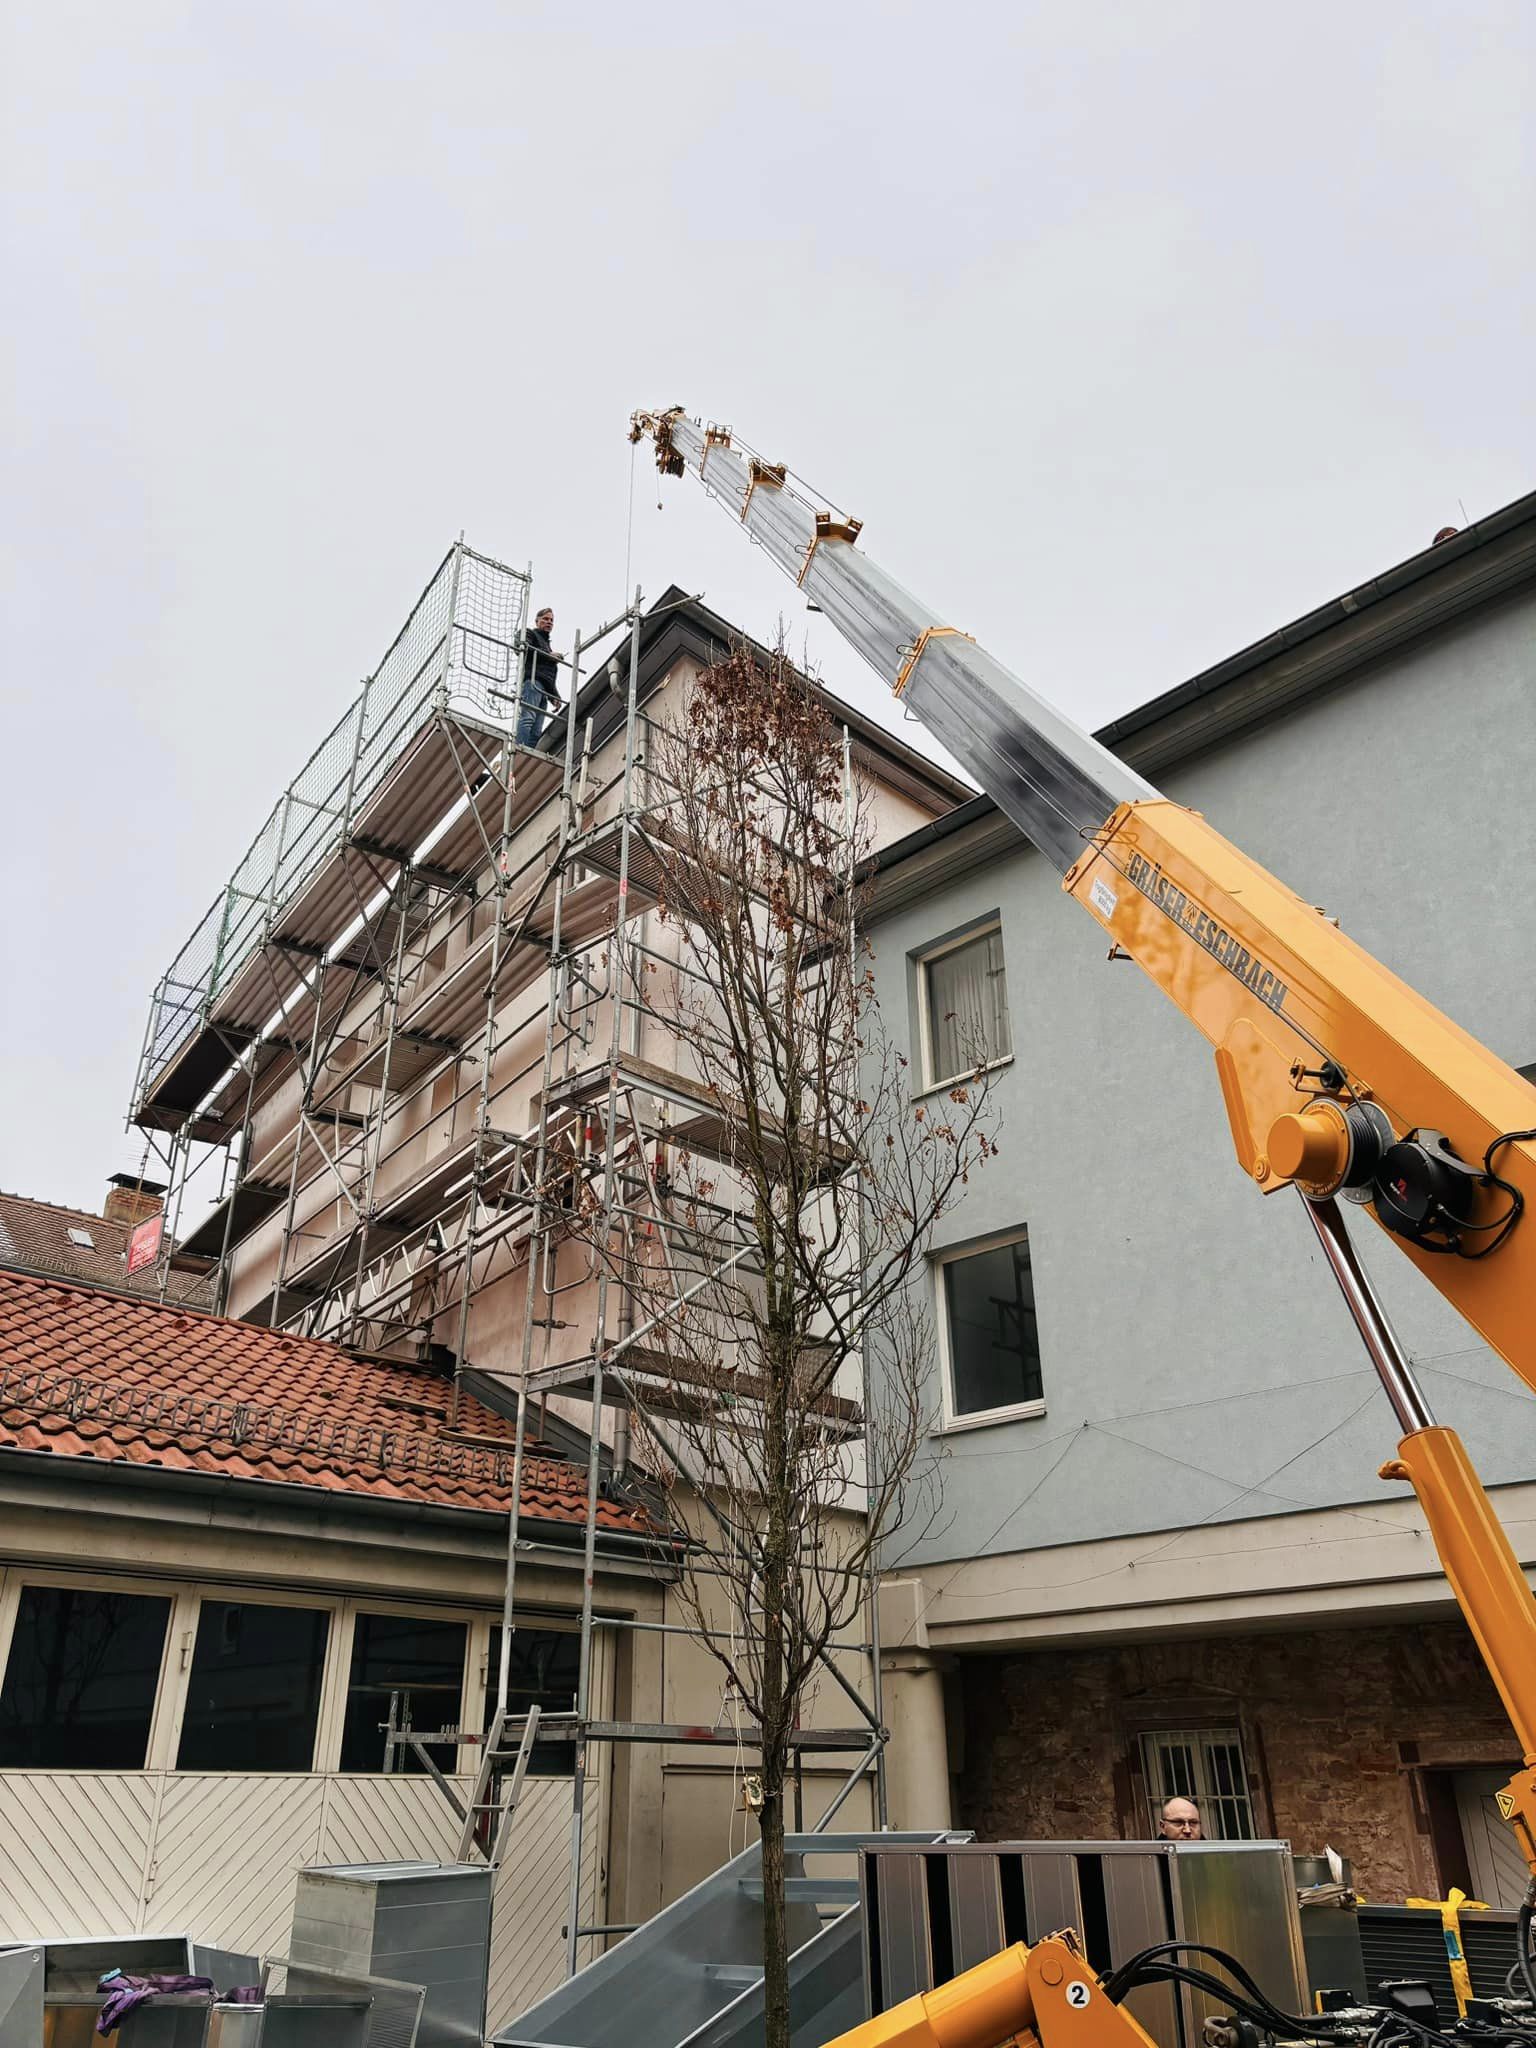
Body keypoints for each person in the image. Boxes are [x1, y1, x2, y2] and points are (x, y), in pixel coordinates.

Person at [516, 606, 561, 746]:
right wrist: (549, 655)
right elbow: (524, 648)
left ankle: (527, 753)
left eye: (551, 620)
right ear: (537, 621)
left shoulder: (547, 646)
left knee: (536, 730)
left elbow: (547, 676)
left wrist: (554, 696)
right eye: (545, 619)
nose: (549, 622)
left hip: (542, 689)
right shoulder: (530, 634)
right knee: (528, 718)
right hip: (533, 683)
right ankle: (520, 748)